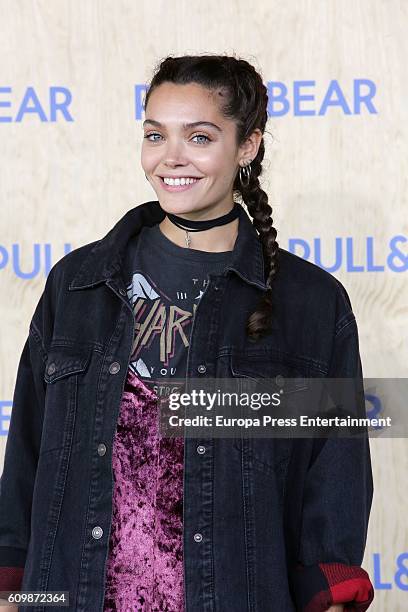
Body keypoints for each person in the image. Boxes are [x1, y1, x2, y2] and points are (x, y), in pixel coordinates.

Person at [0, 54, 374, 611]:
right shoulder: (76, 284)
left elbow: (334, 475)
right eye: (155, 135)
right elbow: (27, 452)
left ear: (248, 145)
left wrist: (331, 595)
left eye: (199, 137)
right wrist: (13, 589)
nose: (170, 158)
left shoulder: (311, 303)